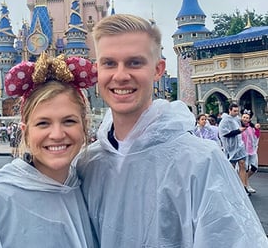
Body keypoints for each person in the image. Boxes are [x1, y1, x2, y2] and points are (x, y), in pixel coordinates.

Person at [77, 14, 267, 247]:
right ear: (97, 71)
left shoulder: (201, 161)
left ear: (158, 70)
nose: (121, 75)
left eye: (135, 62)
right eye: (109, 63)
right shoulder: (87, 164)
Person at [0, 53, 98, 247]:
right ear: (25, 132)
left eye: (69, 121)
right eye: (43, 123)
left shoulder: (86, 190)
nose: (57, 134)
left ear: (84, 126)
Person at [218, 103, 249, 193]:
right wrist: (238, 131)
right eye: (234, 111)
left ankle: (243, 186)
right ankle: (231, 187)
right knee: (231, 167)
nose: (236, 113)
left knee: (242, 164)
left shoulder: (237, 119)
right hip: (230, 147)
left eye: (237, 111)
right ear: (230, 110)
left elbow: (245, 123)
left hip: (239, 145)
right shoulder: (225, 121)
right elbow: (224, 133)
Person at [241, 111, 261, 194]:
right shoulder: (239, 127)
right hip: (243, 151)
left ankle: (245, 181)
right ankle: (245, 185)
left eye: (247, 118)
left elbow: (256, 136)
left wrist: (257, 129)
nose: (245, 119)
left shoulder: (251, 127)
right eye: (244, 117)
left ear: (249, 119)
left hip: (252, 150)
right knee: (245, 168)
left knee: (254, 168)